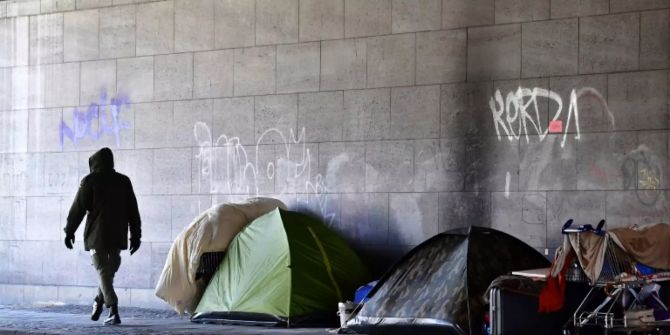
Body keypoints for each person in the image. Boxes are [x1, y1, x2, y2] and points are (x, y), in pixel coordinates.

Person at [63, 147, 141, 325]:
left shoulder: (90, 181)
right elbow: (133, 212)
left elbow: (78, 209)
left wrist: (69, 231)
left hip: (96, 236)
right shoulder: (123, 181)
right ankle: (111, 308)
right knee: (106, 272)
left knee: (104, 272)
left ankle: (103, 304)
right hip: (118, 234)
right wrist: (136, 236)